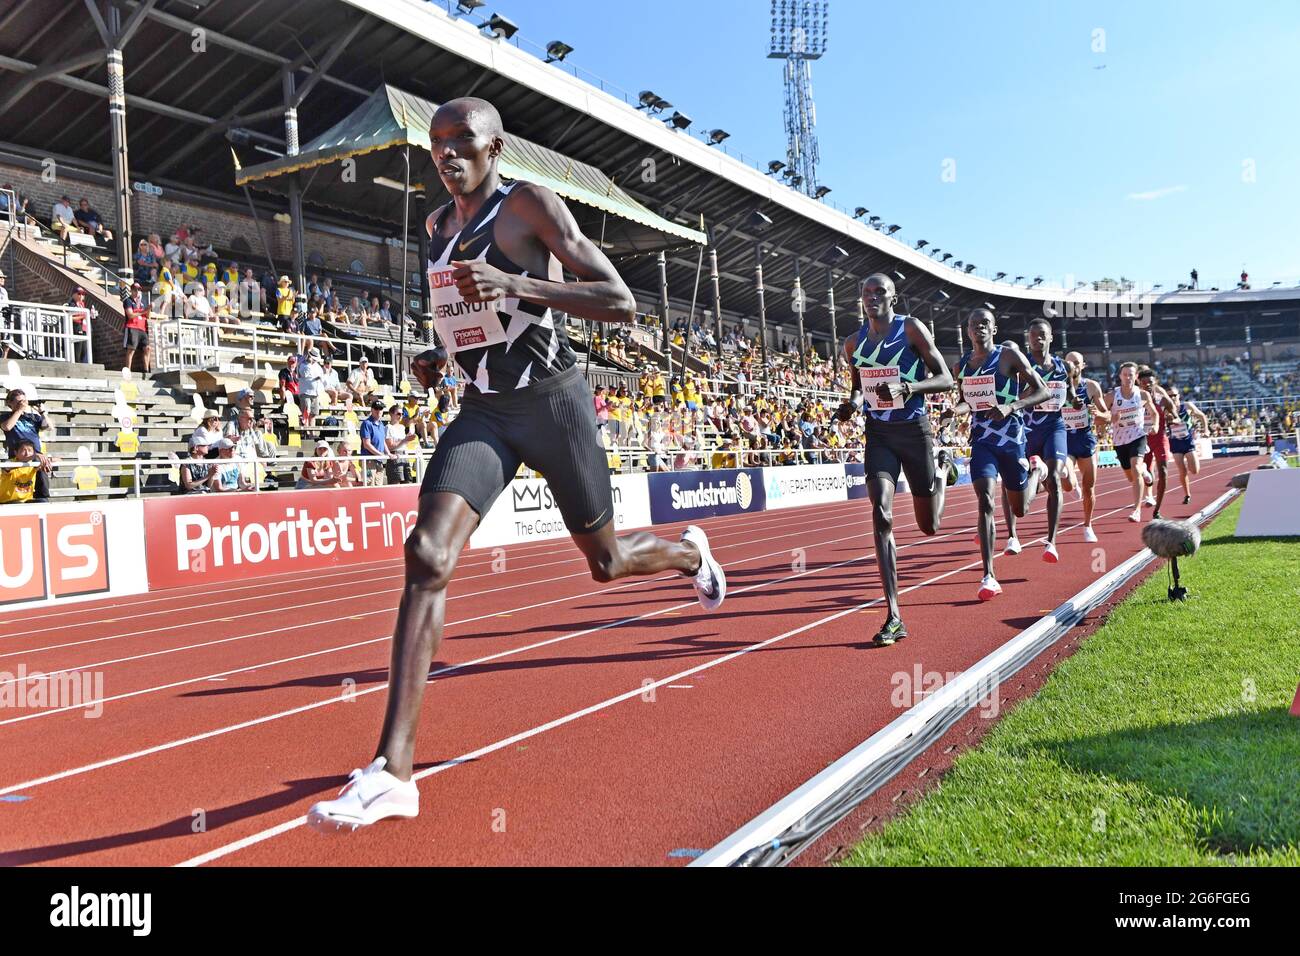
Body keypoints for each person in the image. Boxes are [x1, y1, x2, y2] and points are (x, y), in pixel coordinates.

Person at [308, 96, 726, 832]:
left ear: (495, 148)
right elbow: (462, 318)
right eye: (436, 142)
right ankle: (394, 772)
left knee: (605, 563)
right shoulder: (435, 228)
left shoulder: (529, 204)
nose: (446, 153)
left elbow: (620, 302)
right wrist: (439, 356)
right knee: (427, 553)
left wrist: (519, 283)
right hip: (485, 413)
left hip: (554, 405)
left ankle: (689, 555)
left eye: (461, 140)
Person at [836, 273, 954, 645]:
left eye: (880, 291)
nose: (872, 297)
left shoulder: (912, 329)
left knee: (929, 526)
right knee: (881, 513)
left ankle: (944, 467)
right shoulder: (853, 343)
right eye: (866, 292)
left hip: (915, 430)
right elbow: (859, 387)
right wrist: (850, 406)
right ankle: (894, 614)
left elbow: (946, 378)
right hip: (880, 435)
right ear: (861, 299)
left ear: (893, 297)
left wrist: (909, 386)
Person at [948, 309, 1049, 601]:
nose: (979, 328)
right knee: (986, 500)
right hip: (982, 442)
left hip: (1013, 441)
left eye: (985, 324)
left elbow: (1042, 391)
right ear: (967, 331)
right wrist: (953, 412)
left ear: (994, 329)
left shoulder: (1008, 356)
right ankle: (989, 575)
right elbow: (966, 402)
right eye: (973, 324)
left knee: (1019, 509)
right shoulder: (962, 366)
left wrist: (1012, 406)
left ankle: (1037, 473)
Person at [1003, 318, 1073, 563]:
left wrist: (1078, 403)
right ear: (1028, 338)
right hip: (1025, 428)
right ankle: (1013, 536)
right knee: (1011, 480)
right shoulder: (1019, 365)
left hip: (1054, 426)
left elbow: (1071, 394)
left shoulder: (1064, 367)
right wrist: (1032, 393)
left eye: (1042, 334)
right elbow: (1012, 396)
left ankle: (1051, 542)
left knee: (1054, 478)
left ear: (1051, 337)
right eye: (1033, 335)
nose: (1037, 338)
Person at [1060, 351, 1110, 542]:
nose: (1073, 366)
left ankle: (1088, 525)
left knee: (1089, 488)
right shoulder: (1058, 386)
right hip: (1064, 439)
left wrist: (1097, 413)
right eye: (1069, 362)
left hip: (1085, 439)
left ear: (1082, 366)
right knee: (1067, 484)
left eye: (1076, 363)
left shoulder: (1091, 387)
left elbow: (1107, 416)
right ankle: (1069, 481)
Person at [1100, 362, 1158, 523]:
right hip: (1119, 441)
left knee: (1135, 469)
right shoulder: (1112, 396)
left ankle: (1136, 510)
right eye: (1124, 374)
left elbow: (1154, 413)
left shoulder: (1143, 395)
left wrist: (1155, 425)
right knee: (1131, 476)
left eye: (1131, 374)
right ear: (1120, 376)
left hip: (1138, 435)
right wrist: (1111, 418)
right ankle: (1144, 471)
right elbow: (1100, 417)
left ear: (1136, 376)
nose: (1127, 377)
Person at [2, 389, 53, 502]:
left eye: (24, 401)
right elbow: (7, 427)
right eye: (19, 401)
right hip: (18, 457)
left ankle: (42, 504)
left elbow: (49, 427)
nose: (23, 404)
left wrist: (42, 412)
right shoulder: (6, 416)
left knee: (41, 490)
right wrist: (19, 410)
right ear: (10, 403)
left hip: (36, 456)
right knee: (18, 488)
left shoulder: (32, 417)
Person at [1137, 366, 1175, 518]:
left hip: (1159, 438)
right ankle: (1147, 480)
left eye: (1150, 382)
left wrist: (1173, 417)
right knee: (1141, 473)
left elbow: (1173, 411)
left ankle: (1157, 510)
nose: (1147, 385)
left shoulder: (1162, 398)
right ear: (1139, 383)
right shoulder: (1135, 398)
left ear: (1155, 383)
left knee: (1164, 472)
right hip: (1142, 440)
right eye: (1144, 382)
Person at [1165, 384, 1210, 505]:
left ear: (1178, 395)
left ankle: (1188, 489)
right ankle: (1187, 495)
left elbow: (1202, 416)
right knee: (1182, 471)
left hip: (1188, 441)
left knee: (1194, 470)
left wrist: (1206, 430)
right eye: (1170, 396)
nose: (1173, 397)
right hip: (1175, 442)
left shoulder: (1187, 406)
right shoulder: (1165, 410)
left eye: (1174, 395)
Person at [0, 438, 50, 504]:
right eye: (23, 450)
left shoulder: (34, 464)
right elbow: (6, 467)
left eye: (29, 450)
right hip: (7, 501)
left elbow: (55, 461)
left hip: (26, 501)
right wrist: (33, 456)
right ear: (16, 453)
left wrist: (48, 460)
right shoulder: (10, 463)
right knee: (18, 504)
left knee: (43, 502)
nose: (27, 453)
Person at [121, 282, 152, 374]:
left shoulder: (142, 304)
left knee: (147, 348)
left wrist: (149, 309)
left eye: (139, 290)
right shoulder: (128, 301)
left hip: (142, 328)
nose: (137, 291)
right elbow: (130, 315)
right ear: (131, 290)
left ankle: (146, 370)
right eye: (135, 289)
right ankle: (127, 370)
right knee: (131, 349)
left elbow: (148, 316)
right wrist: (143, 312)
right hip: (132, 327)